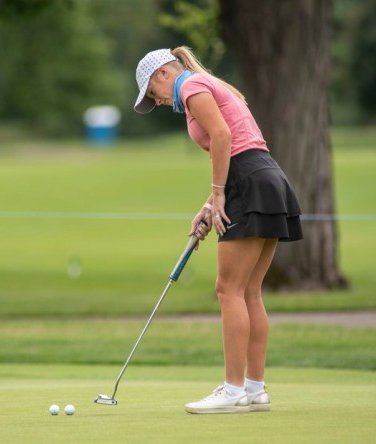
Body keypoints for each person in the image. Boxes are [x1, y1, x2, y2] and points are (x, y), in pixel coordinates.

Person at [133, 47, 303, 414]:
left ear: (164, 72)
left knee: (228, 289)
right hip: (266, 177)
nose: (157, 101)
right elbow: (235, 150)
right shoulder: (204, 84)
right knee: (249, 291)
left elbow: (223, 137)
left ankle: (232, 390)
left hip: (248, 181)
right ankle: (254, 390)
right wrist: (210, 204)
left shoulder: (191, 86)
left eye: (152, 92)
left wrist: (219, 194)